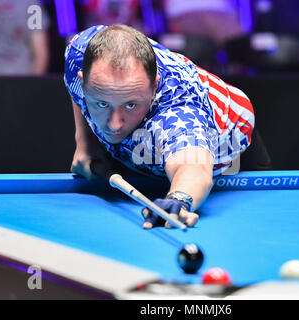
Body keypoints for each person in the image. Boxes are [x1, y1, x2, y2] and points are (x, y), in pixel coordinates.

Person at [64, 24, 271, 230]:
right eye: (102, 103)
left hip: (227, 149)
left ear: (154, 86)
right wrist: (84, 144)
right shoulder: (78, 55)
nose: (114, 124)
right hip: (144, 150)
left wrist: (179, 199)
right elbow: (76, 91)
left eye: (130, 105)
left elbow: (193, 165)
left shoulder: (178, 111)